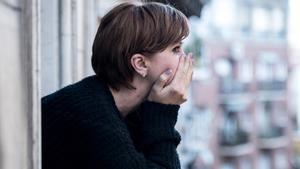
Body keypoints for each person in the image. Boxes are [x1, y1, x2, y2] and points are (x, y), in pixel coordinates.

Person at [42, 1, 193, 169]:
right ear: (141, 64)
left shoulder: (125, 112)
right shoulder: (90, 115)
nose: (185, 59)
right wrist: (163, 112)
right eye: (176, 49)